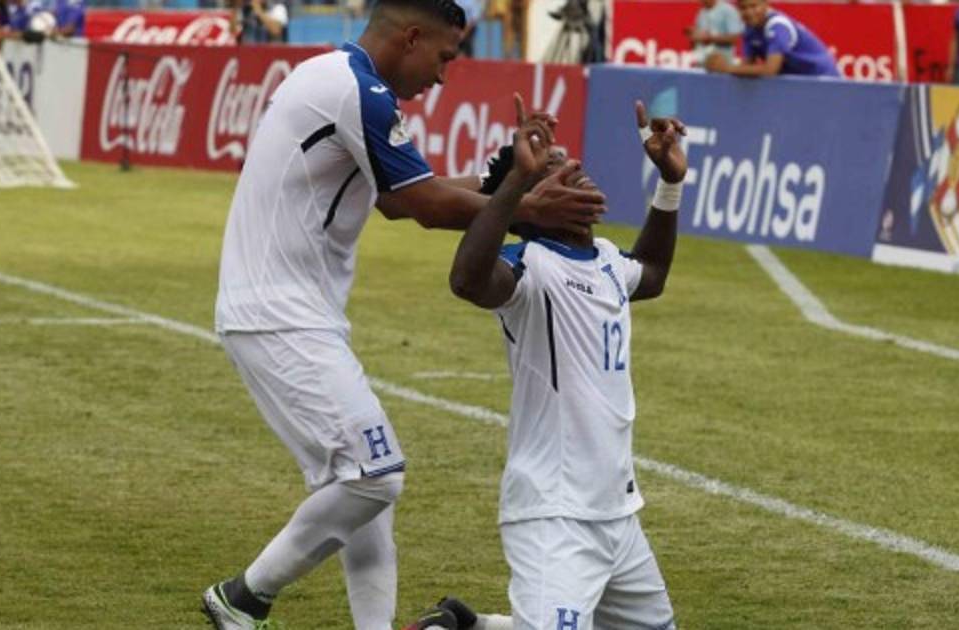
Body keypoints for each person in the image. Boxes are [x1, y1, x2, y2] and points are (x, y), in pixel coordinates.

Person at [201, 0, 606, 627]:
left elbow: (398, 198)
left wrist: (510, 181)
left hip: (285, 311)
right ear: (412, 37)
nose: (443, 76)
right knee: (376, 476)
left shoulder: (338, 78)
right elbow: (424, 206)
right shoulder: (358, 90)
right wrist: (527, 207)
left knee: (366, 490)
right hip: (278, 313)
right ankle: (242, 598)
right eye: (444, 57)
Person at [447, 97, 687, 630]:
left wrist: (670, 185)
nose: (575, 164)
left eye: (566, 158)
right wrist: (514, 188)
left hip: (618, 515)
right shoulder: (528, 266)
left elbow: (651, 272)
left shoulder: (607, 260)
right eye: (553, 167)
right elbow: (466, 281)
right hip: (554, 516)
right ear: (535, 200)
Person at [704, 0, 839, 78]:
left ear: (766, 4)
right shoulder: (748, 30)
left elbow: (770, 70)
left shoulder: (778, 26)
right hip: (801, 80)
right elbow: (746, 66)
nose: (749, 12)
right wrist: (717, 66)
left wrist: (728, 68)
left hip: (823, 77)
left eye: (754, 6)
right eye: (743, 8)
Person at [685, 0, 744, 69]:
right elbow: (698, 36)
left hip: (721, 65)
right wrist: (694, 36)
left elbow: (734, 38)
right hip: (702, 63)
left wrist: (709, 38)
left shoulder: (728, 10)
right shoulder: (701, 12)